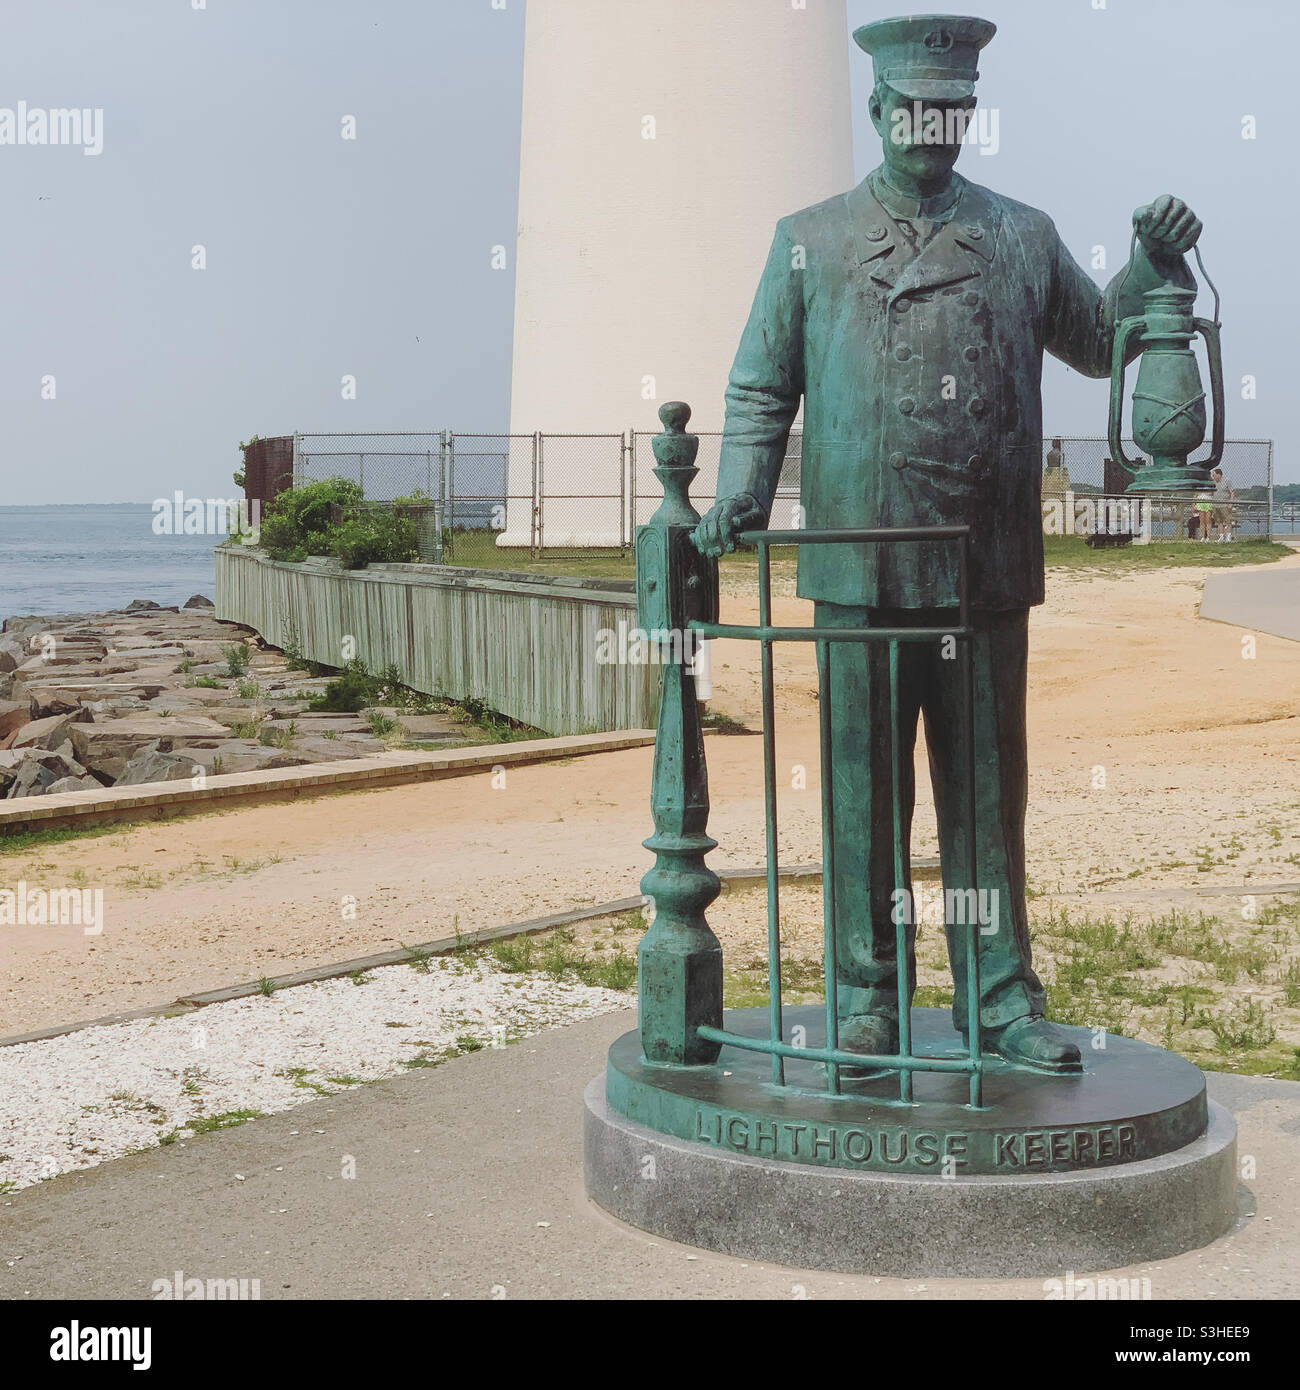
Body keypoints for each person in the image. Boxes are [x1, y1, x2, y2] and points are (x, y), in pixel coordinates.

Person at [693, 14, 1202, 1074]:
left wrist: (1150, 265)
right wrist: (741, 489)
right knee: (862, 802)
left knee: (981, 800)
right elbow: (760, 381)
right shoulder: (810, 239)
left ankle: (998, 994)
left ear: (968, 115)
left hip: (982, 575)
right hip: (857, 570)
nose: (932, 126)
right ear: (877, 111)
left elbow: (1099, 342)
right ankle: (867, 996)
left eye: (951, 111)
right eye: (913, 108)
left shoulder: (1019, 234)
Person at [1210, 466, 1235, 540]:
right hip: (1215, 505)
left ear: (1219, 474)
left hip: (1224, 505)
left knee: (1228, 521)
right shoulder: (1213, 483)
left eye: (1214, 475)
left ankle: (1228, 537)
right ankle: (1221, 536)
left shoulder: (1227, 481)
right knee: (1219, 521)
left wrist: (1231, 503)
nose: (1213, 477)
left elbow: (1232, 493)